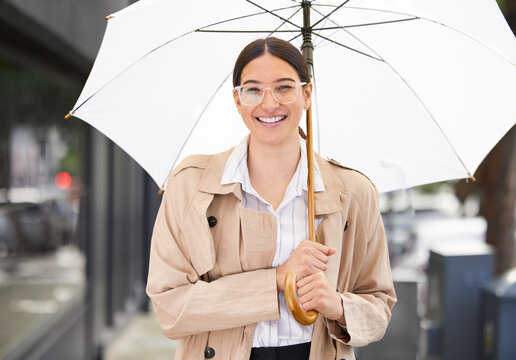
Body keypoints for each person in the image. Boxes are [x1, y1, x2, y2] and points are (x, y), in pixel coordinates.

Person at [146, 37, 396, 360]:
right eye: (253, 90)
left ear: (307, 94)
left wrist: (337, 305)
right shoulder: (190, 186)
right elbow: (169, 308)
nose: (269, 104)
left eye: (284, 88)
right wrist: (277, 280)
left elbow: (380, 304)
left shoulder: (355, 193)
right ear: (237, 101)